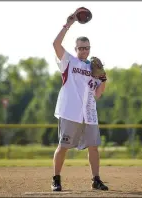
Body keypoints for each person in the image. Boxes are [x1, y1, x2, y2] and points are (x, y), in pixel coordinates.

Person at [51, 10, 108, 192]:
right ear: (76, 49)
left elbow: (98, 93)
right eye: (81, 47)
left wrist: (104, 79)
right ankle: (56, 179)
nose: (84, 50)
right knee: (63, 146)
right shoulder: (69, 62)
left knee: (93, 147)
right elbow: (55, 44)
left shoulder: (93, 68)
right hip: (70, 112)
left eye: (87, 47)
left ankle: (96, 180)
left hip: (89, 113)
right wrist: (68, 24)